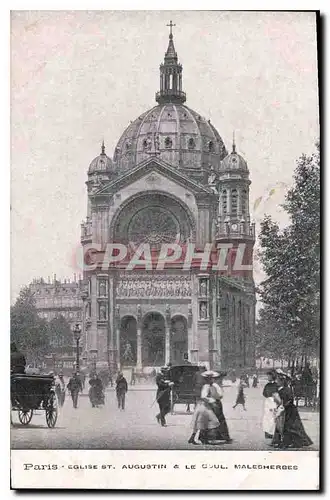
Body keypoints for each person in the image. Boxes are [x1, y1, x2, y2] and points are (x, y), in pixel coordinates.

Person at [270, 369, 313, 449]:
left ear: (282, 381)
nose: (277, 382)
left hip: (290, 410)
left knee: (291, 427)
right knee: (282, 426)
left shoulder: (287, 389)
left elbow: (290, 399)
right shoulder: (281, 389)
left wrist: (283, 406)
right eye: (277, 380)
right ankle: (281, 441)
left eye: (278, 381)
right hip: (285, 409)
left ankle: (293, 442)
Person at [196, 370, 232, 443]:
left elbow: (220, 394)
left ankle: (222, 436)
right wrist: (211, 401)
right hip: (210, 405)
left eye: (212, 378)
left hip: (217, 404)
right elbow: (203, 396)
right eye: (210, 378)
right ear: (207, 379)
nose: (212, 380)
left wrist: (217, 398)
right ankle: (206, 437)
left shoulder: (215, 385)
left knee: (220, 420)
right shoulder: (206, 386)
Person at [262, 370, 278, 439]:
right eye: (268, 376)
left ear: (273, 376)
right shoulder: (267, 385)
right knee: (266, 417)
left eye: (269, 376)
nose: (268, 377)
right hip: (268, 402)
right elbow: (264, 393)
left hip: (274, 401)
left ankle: (272, 432)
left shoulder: (276, 385)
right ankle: (267, 432)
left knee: (273, 417)